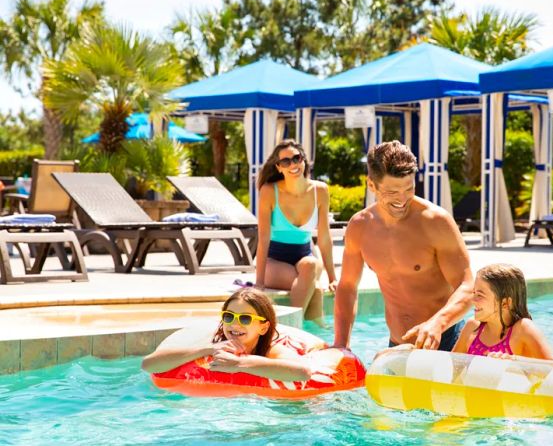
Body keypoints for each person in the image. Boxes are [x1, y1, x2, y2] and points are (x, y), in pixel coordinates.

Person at [334, 140, 474, 351]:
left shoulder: (436, 222)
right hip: (397, 345)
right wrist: (341, 344)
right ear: (371, 185)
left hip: (445, 341)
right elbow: (347, 287)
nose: (402, 199)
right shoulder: (360, 226)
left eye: (408, 189)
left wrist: (438, 322)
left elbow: (468, 286)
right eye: (392, 192)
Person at [142, 287, 314, 381]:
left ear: (263, 327)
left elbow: (303, 372)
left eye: (245, 319)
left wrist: (240, 363)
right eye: (229, 316)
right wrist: (207, 350)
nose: (234, 324)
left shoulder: (272, 351)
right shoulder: (214, 344)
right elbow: (148, 365)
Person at [255, 140, 337, 323]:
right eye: (286, 162)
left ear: (304, 161)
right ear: (279, 168)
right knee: (312, 287)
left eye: (296, 158)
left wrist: (333, 278)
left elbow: (324, 237)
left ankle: (294, 327)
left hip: (305, 256)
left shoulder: (320, 190)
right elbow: (263, 238)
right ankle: (309, 327)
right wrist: (259, 282)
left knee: (309, 266)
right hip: (274, 260)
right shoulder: (269, 191)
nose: (293, 164)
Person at [451, 264, 553, 361]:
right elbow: (451, 367)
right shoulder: (472, 327)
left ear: (505, 303)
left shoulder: (522, 329)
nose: (473, 300)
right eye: (474, 293)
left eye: (480, 295)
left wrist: (516, 361)